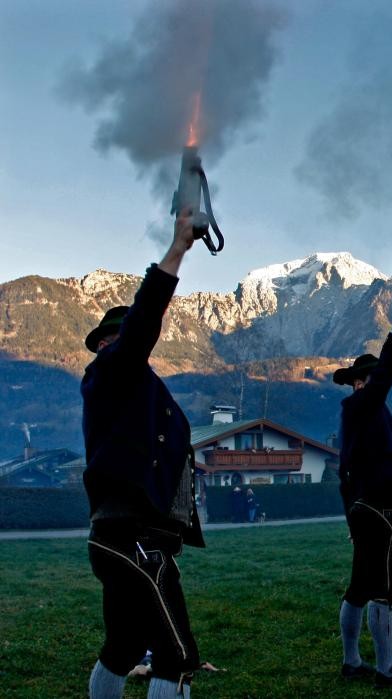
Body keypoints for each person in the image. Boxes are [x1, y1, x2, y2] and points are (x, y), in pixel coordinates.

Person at [82, 211, 205, 699]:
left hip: (124, 538)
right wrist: (177, 249)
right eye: (120, 336)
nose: (124, 341)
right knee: (177, 658)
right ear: (109, 343)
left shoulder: (130, 385)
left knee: (124, 646)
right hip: (133, 541)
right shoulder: (112, 371)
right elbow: (146, 317)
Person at [332, 280, 392, 688]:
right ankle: (387, 668)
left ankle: (352, 662)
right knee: (383, 588)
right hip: (380, 506)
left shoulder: (366, 413)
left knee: (360, 586)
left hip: (366, 506)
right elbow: (388, 371)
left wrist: (351, 518)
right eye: (371, 380)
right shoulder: (362, 403)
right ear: (361, 382)